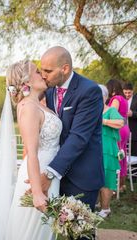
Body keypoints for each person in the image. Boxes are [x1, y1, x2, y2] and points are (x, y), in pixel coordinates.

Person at [0, 59, 62, 240]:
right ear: (27, 81)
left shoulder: (38, 104)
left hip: (49, 173)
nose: (43, 74)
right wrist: (37, 193)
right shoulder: (28, 107)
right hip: (38, 177)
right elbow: (31, 153)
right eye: (37, 72)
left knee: (43, 231)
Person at [41, 46, 104, 216]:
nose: (43, 75)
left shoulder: (89, 91)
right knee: (59, 227)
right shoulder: (49, 88)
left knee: (81, 233)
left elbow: (78, 137)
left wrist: (49, 174)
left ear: (65, 68)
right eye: (41, 70)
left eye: (48, 70)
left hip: (82, 176)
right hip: (58, 175)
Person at [98, 84, 124, 218]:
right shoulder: (92, 110)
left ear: (104, 97)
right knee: (96, 176)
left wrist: (104, 121)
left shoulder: (110, 110)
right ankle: (98, 204)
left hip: (108, 149)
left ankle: (106, 208)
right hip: (95, 149)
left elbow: (120, 122)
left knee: (107, 178)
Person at [106, 79, 129, 191]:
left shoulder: (116, 99)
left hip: (117, 128)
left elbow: (112, 112)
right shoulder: (124, 99)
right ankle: (122, 185)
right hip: (124, 128)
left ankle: (114, 186)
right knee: (122, 155)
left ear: (113, 89)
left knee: (115, 155)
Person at [123, 82, 137, 156]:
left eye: (129, 93)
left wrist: (133, 114)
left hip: (134, 135)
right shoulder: (120, 100)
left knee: (134, 159)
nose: (127, 95)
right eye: (125, 92)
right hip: (123, 134)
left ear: (133, 91)